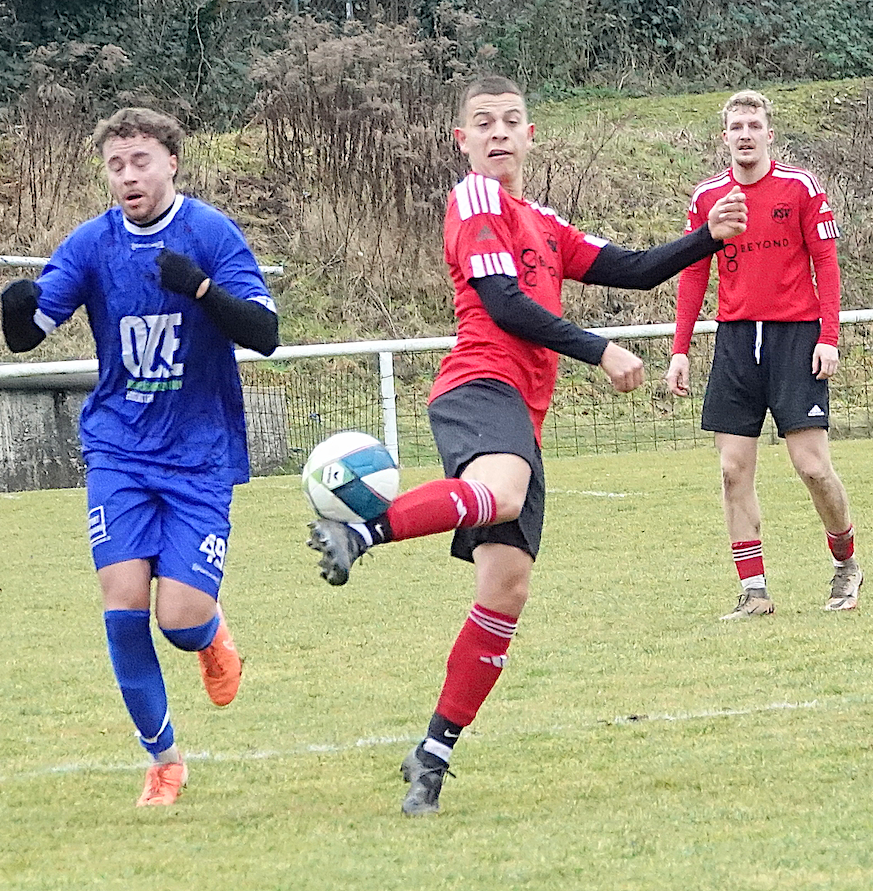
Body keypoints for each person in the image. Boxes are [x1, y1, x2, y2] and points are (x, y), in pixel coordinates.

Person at [306, 75, 748, 816]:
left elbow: (633, 269)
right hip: (479, 384)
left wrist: (709, 236)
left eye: (512, 121)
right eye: (484, 123)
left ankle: (433, 753)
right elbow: (504, 305)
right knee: (504, 493)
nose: (499, 133)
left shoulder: (540, 219)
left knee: (505, 590)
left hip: (521, 411)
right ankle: (360, 532)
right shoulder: (474, 198)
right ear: (463, 140)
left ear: (531, 135)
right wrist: (601, 350)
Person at [0, 107, 279, 806]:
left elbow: (266, 332)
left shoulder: (209, 233)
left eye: (141, 161)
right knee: (123, 607)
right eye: (116, 165)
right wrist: (18, 306)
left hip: (199, 453)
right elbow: (30, 332)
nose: (128, 176)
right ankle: (164, 761)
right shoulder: (92, 243)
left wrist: (202, 288)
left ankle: (209, 636)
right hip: (118, 449)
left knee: (178, 620)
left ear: (171, 163)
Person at [665, 89, 863, 620]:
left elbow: (827, 264)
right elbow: (693, 273)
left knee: (812, 467)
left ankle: (845, 562)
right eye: (737, 127)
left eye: (754, 126)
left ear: (769, 134)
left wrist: (828, 336)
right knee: (733, 470)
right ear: (724, 137)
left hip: (795, 339)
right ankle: (754, 592)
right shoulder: (708, 198)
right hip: (735, 342)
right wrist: (680, 349)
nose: (745, 135)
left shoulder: (800, 188)